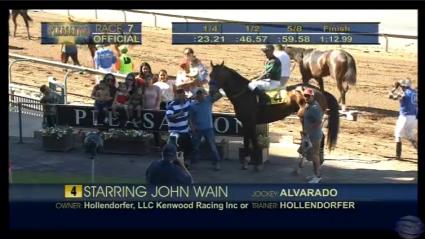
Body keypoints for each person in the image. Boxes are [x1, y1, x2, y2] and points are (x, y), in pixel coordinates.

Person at [189, 87, 221, 171]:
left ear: (204, 94)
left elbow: (220, 95)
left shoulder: (208, 100)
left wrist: (211, 91)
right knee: (195, 146)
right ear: (195, 95)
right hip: (198, 129)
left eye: (201, 94)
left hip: (208, 128)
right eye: (198, 94)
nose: (200, 96)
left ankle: (216, 162)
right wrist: (193, 127)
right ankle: (193, 162)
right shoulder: (192, 105)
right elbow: (190, 118)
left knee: (212, 146)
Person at [299, 88, 324, 184]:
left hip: (315, 136)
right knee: (313, 156)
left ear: (312, 96)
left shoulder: (314, 108)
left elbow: (319, 122)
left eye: (308, 96)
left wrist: (308, 130)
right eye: (305, 96)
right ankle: (315, 174)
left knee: (315, 156)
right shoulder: (308, 106)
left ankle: (317, 176)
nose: (306, 98)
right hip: (310, 135)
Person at [388, 79, 418, 159]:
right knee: (410, 136)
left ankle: (398, 155)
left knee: (398, 134)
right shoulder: (415, 92)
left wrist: (394, 88)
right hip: (414, 118)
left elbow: (390, 96)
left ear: (403, 86)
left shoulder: (403, 93)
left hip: (404, 117)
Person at [165, 88, 192, 165]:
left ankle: (182, 162)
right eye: (179, 96)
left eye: (182, 95)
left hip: (185, 130)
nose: (181, 97)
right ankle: (175, 163)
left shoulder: (188, 103)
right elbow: (169, 117)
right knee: (176, 148)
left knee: (188, 147)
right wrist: (178, 114)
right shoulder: (171, 106)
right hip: (175, 132)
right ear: (176, 96)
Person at [143, 75, 162, 150]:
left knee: (156, 128)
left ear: (152, 80)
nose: (148, 80)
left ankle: (158, 145)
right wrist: (143, 107)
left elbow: (159, 98)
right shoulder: (144, 88)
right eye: (146, 79)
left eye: (149, 79)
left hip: (155, 110)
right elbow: (143, 98)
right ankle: (146, 145)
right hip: (146, 109)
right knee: (146, 127)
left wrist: (157, 106)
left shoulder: (157, 88)